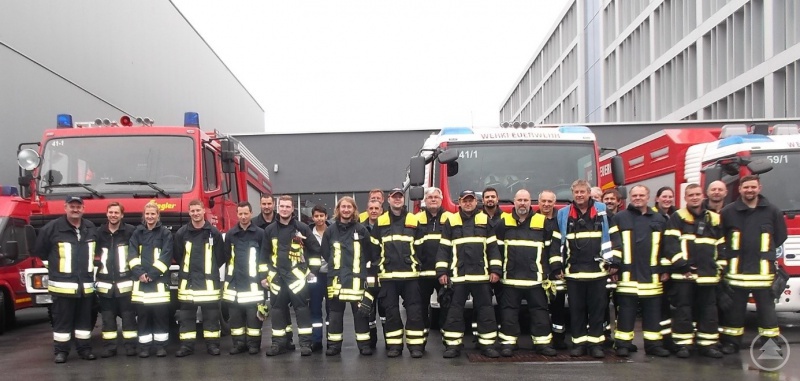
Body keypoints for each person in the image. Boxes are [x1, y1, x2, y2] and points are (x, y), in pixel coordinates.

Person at [719, 175, 787, 354]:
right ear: (740, 189)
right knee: (734, 314)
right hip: (736, 274)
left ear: (759, 188)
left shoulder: (773, 211)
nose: (749, 190)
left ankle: (771, 346)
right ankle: (731, 344)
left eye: (753, 187)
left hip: (763, 275)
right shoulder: (728, 212)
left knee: (767, 315)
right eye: (746, 187)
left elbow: (780, 237)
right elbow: (720, 239)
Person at [555, 180, 622, 359]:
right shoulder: (563, 214)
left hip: (598, 272)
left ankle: (596, 344)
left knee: (597, 310)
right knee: (576, 311)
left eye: (582, 192)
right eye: (576, 192)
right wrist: (558, 266)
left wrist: (615, 262)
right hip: (574, 272)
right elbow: (558, 242)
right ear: (572, 194)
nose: (579, 195)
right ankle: (578, 344)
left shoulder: (602, 211)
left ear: (588, 193)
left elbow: (615, 236)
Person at [437, 190, 502, 359]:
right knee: (455, 312)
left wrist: (495, 270)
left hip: (481, 276)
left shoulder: (484, 219)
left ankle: (487, 345)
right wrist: (442, 272)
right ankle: (453, 345)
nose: (468, 203)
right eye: (465, 200)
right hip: (458, 276)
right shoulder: (451, 220)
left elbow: (493, 248)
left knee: (486, 311)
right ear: (459, 202)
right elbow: (444, 248)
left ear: (475, 202)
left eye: (471, 200)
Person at [662, 183, 724, 358]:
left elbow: (722, 245)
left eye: (697, 194)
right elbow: (670, 245)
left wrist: (719, 267)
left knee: (708, 311)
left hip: (708, 275)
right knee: (683, 310)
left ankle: (708, 344)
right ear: (685, 198)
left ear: (703, 195)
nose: (695, 197)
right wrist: (683, 265)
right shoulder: (677, 217)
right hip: (684, 276)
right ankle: (683, 345)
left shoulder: (714, 218)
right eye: (691, 195)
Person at [496, 189, 560, 357]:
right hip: (510, 279)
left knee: (540, 312)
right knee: (509, 312)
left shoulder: (542, 221)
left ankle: (543, 344)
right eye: (519, 200)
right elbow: (496, 250)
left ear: (530, 202)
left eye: (525, 200)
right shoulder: (503, 222)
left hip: (536, 279)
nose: (522, 203)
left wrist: (550, 271)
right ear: (514, 202)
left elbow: (551, 249)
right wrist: (497, 270)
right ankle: (509, 343)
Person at [35, 195, 98, 363]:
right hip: (62, 287)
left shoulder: (90, 228)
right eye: (72, 206)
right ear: (65, 208)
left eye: (78, 206)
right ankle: (61, 352)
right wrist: (55, 270)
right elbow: (41, 251)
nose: (75, 209)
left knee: (84, 323)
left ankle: (84, 350)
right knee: (62, 322)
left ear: (83, 209)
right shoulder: (52, 228)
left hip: (85, 287)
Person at [610, 185, 670, 357]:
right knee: (625, 313)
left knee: (652, 313)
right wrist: (614, 266)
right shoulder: (620, 218)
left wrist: (665, 268)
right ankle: (622, 344)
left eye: (641, 195)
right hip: (627, 275)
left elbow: (666, 246)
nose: (637, 198)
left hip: (652, 276)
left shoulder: (659, 219)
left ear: (648, 196)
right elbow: (614, 244)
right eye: (634, 195)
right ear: (629, 197)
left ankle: (653, 345)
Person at [369, 188, 425, 358]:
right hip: (389, 277)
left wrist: (416, 263)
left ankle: (416, 346)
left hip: (410, 276)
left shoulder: (413, 220)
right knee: (392, 312)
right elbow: (374, 248)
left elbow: (421, 247)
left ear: (404, 199)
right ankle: (395, 346)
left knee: (415, 312)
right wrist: (380, 265)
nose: (398, 200)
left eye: (400, 197)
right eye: (395, 197)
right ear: (389, 200)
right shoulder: (381, 221)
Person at [262, 195, 321, 356]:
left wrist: (312, 271)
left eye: (288, 206)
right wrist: (263, 276)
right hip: (276, 278)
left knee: (302, 311)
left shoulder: (302, 228)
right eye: (282, 206)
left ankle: (305, 344)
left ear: (292, 208)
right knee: (277, 312)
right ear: (277, 207)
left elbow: (315, 250)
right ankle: (280, 343)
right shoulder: (269, 230)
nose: (285, 209)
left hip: (297, 279)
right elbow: (264, 255)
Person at [321, 197, 373, 356]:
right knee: (335, 315)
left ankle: (364, 345)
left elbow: (369, 253)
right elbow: (325, 252)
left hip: (356, 281)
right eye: (343, 207)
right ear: (338, 209)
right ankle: (334, 346)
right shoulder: (330, 231)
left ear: (354, 209)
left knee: (360, 315)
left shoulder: (361, 230)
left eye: (349, 207)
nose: (346, 210)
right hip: (336, 281)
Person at [173, 199, 225, 357]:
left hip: (208, 284)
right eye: (192, 211)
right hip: (188, 284)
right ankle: (187, 347)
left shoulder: (213, 233)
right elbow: (178, 255)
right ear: (189, 213)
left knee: (211, 317)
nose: (195, 213)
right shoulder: (182, 233)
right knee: (186, 317)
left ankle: (213, 346)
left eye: (198, 210)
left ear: (204, 211)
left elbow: (221, 257)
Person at [129, 200, 173, 358]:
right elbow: (132, 255)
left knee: (160, 316)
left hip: (158, 283)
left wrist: (151, 275)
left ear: (158, 215)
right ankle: (145, 347)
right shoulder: (137, 233)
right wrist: (139, 273)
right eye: (147, 214)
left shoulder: (165, 233)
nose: (150, 216)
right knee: (143, 317)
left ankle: (161, 347)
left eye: (153, 214)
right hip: (141, 284)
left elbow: (166, 256)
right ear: (144, 215)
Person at [222, 201, 267, 355]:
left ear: (251, 213)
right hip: (234, 283)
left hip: (253, 284)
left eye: (245, 213)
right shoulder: (230, 234)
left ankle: (254, 345)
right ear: (237, 214)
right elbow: (227, 256)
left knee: (253, 317)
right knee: (235, 318)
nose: (242, 217)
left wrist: (263, 278)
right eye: (240, 214)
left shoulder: (260, 233)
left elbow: (264, 257)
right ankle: (239, 344)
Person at [94, 202, 137, 357]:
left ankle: (130, 346)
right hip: (105, 284)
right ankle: (109, 347)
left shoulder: (130, 232)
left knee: (128, 317)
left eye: (116, 213)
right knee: (107, 318)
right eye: (110, 212)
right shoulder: (99, 233)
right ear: (107, 214)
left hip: (125, 283)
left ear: (122, 215)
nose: (113, 215)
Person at [414, 187, 449, 349]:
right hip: (423, 274)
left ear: (441, 200)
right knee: (421, 309)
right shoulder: (416, 219)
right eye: (430, 197)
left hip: (444, 274)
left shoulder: (450, 218)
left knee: (448, 308)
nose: (433, 199)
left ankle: (449, 342)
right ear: (425, 201)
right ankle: (420, 343)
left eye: (436, 197)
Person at [539, 190, 568, 350]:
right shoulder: (534, 219)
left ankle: (559, 338)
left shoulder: (561, 220)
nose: (546, 204)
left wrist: (559, 267)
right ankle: (544, 339)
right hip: (539, 271)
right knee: (540, 308)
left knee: (558, 307)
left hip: (558, 271)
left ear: (554, 203)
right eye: (543, 201)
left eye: (550, 201)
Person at [308, 205, 330, 352]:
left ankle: (331, 339)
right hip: (314, 276)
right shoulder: (307, 233)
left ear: (326, 217)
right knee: (315, 308)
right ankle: (316, 340)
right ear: (312, 217)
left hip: (330, 275)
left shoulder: (333, 231)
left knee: (331, 309)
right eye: (316, 216)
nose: (319, 219)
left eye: (322, 216)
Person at [363, 198, 384, 348]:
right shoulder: (361, 228)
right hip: (367, 274)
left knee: (385, 310)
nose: (374, 211)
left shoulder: (386, 226)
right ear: (367, 210)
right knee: (368, 310)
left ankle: (390, 341)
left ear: (381, 210)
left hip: (383, 274)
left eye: (377, 208)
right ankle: (371, 340)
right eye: (371, 208)